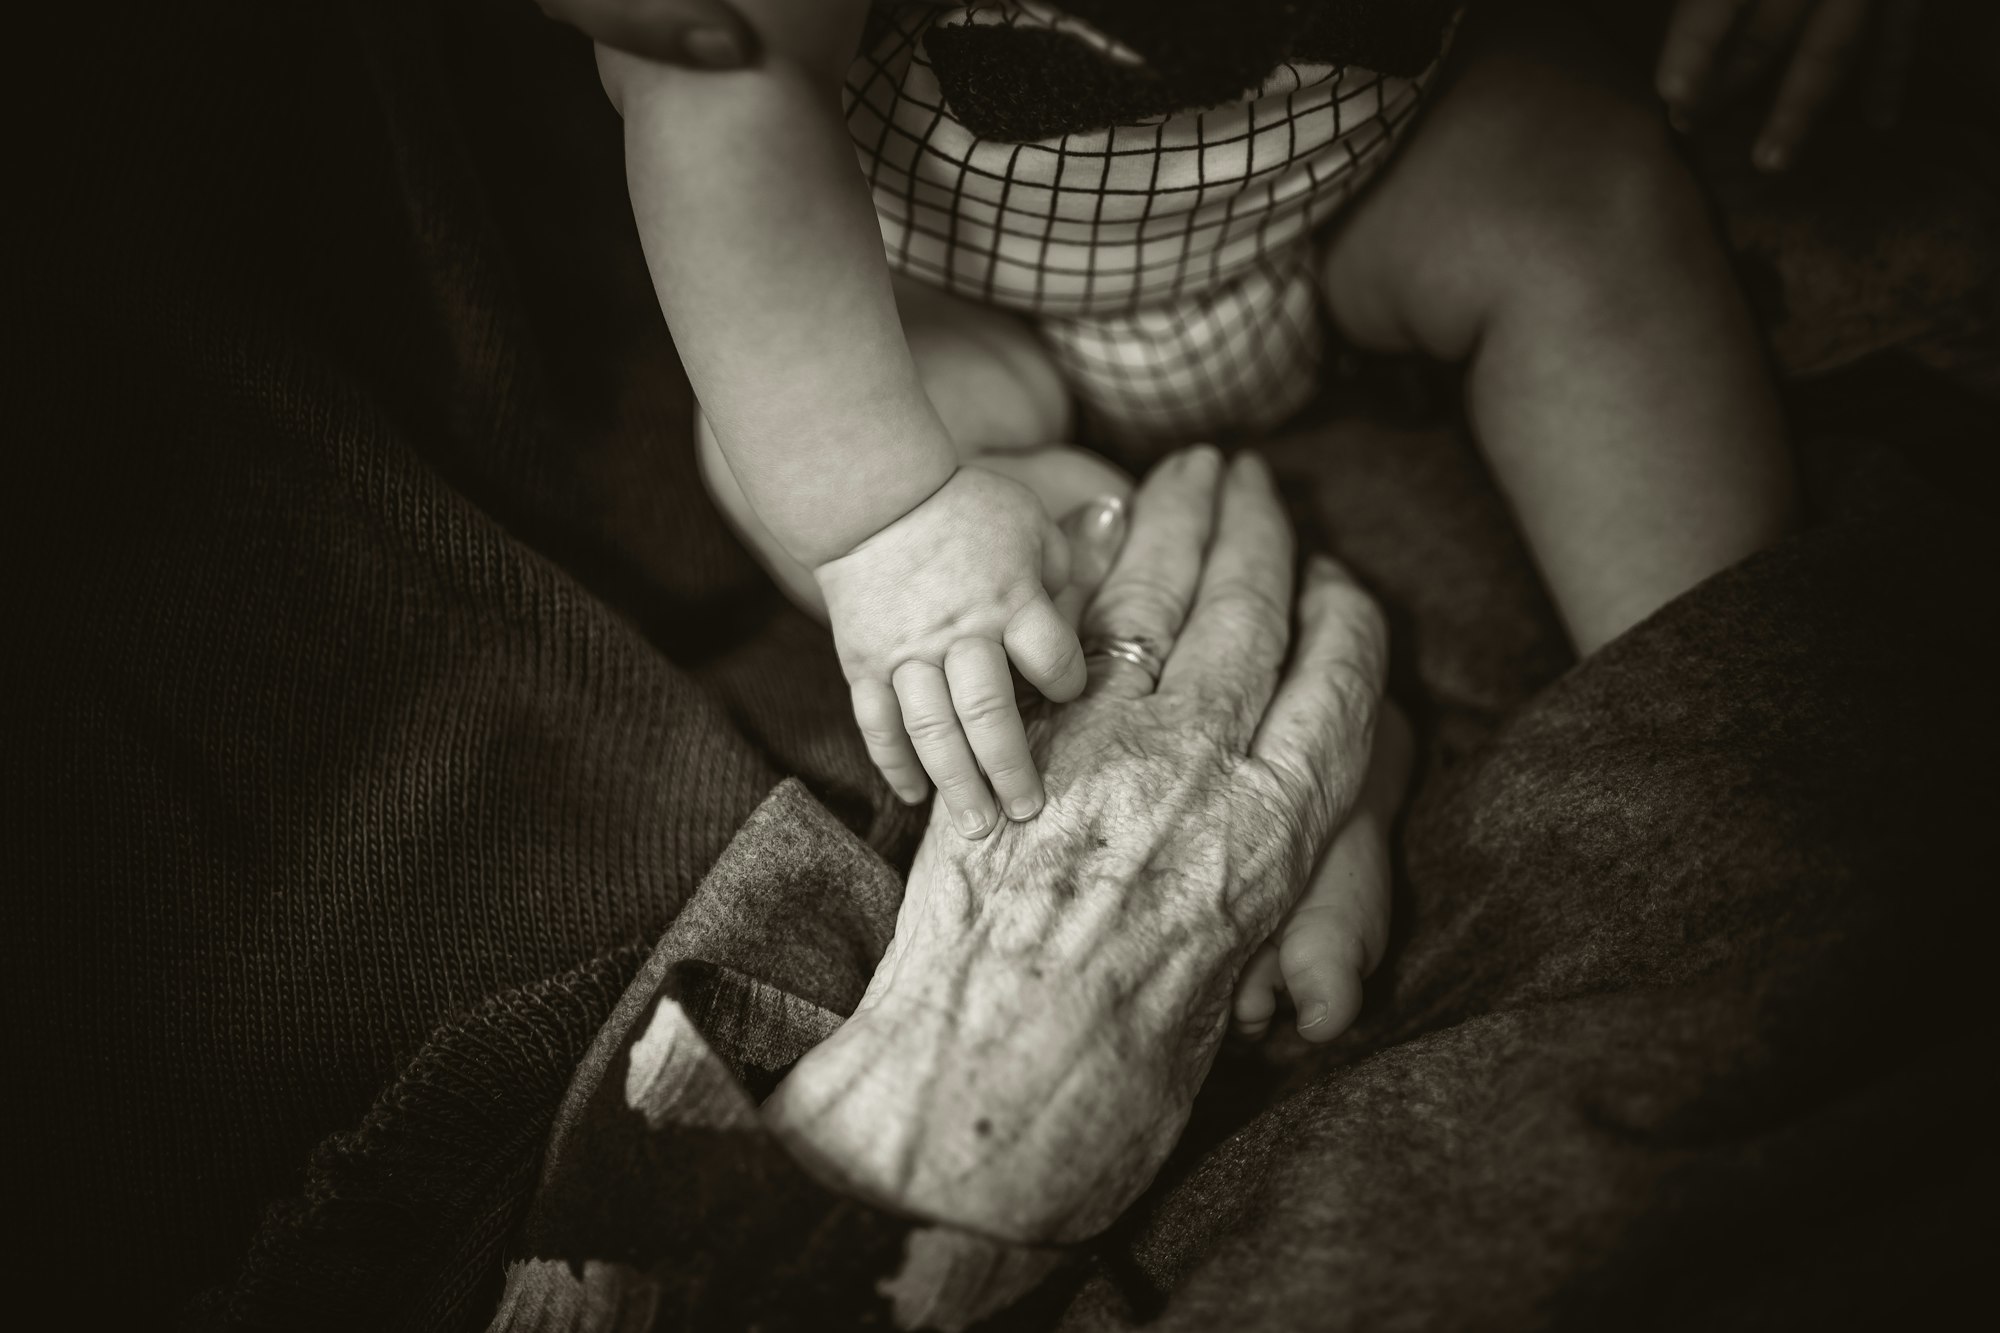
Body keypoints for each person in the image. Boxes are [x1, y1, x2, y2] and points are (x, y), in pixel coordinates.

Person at [577, 0, 1921, 1039]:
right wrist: (890, 517)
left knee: (1592, 196)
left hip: (1366, 182)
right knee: (799, 467)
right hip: (950, 292)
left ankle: (1721, 733)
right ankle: (1284, 763)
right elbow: (724, 79)